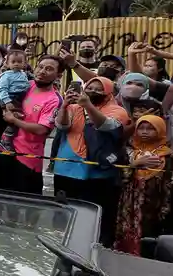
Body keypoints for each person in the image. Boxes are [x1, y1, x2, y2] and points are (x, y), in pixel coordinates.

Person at [53, 76, 130, 246]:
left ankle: (97, 247)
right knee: (64, 212)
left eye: (98, 89)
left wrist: (88, 106)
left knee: (96, 214)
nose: (93, 91)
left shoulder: (117, 110)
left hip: (99, 174)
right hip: (67, 169)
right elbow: (62, 126)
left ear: (109, 93)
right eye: (90, 87)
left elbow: (107, 126)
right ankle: (62, 243)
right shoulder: (73, 107)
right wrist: (65, 106)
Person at [0, 56, 63, 195]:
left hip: (27, 158)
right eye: (40, 66)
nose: (42, 71)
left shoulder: (53, 99)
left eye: (49, 69)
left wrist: (15, 121)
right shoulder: (26, 84)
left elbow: (42, 129)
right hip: (4, 151)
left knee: (24, 206)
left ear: (58, 75)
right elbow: (5, 96)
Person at [112, 115, 173, 256]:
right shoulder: (130, 152)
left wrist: (165, 207)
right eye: (141, 128)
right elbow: (121, 176)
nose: (145, 132)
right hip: (129, 200)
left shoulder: (168, 155)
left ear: (160, 130)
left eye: (150, 129)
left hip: (153, 201)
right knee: (126, 229)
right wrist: (135, 165)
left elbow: (168, 183)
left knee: (148, 232)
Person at [0, 48, 31, 152]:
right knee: (14, 119)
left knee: (20, 120)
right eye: (13, 62)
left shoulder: (24, 74)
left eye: (19, 62)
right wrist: (7, 101)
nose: (16, 64)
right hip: (11, 98)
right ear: (7, 63)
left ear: (25, 63)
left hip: (19, 99)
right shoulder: (6, 76)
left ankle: (12, 139)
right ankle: (5, 140)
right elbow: (2, 90)